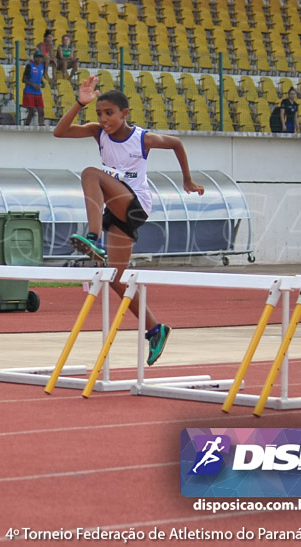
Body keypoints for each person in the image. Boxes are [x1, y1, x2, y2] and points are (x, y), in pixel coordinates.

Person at [54, 75, 204, 365]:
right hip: (117, 209)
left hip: (136, 204)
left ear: (125, 114)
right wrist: (78, 103)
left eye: (109, 113)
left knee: (90, 173)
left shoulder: (142, 138)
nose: (104, 119)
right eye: (99, 113)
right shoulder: (98, 133)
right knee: (115, 277)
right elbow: (60, 133)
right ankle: (155, 328)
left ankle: (93, 238)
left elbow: (176, 143)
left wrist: (187, 179)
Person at [21, 51, 46, 126]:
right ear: (34, 58)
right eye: (37, 57)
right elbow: (24, 79)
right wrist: (33, 85)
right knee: (31, 111)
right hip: (29, 91)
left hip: (38, 92)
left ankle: (41, 125)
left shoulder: (42, 66)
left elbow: (39, 76)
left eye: (40, 58)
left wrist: (42, 83)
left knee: (41, 110)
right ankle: (26, 125)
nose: (39, 59)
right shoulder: (29, 66)